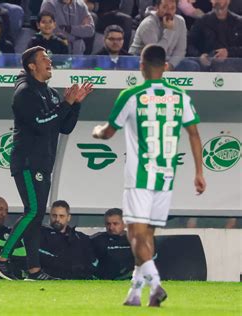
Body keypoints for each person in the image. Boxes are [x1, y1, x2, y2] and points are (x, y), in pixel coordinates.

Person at [92, 44, 206, 307]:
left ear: (141, 67)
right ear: (165, 67)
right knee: (147, 237)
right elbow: (194, 134)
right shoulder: (180, 96)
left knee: (135, 236)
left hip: (140, 177)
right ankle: (134, 293)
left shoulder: (132, 95)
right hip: (166, 178)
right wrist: (199, 172)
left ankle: (156, 285)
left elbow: (109, 132)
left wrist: (97, 131)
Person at [0, 46, 94, 281]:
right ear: (31, 66)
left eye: (49, 58)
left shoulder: (52, 93)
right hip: (27, 162)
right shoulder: (25, 92)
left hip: (43, 163)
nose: (50, 62)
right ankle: (1, 259)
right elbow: (41, 123)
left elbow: (63, 127)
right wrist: (65, 105)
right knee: (33, 211)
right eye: (44, 59)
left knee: (36, 218)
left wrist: (75, 104)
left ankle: (34, 270)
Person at [129, 0, 196, 71]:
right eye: (165, 7)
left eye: (172, 8)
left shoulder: (180, 21)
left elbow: (181, 50)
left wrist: (170, 65)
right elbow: (156, 53)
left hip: (167, 61)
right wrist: (169, 30)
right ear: (157, 7)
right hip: (144, 59)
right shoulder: (148, 24)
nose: (169, 11)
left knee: (192, 65)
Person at [39, 200, 97, 280]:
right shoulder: (41, 235)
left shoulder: (80, 238)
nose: (57, 219)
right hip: (50, 280)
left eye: (61, 216)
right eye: (54, 215)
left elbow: (93, 261)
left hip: (78, 282)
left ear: (68, 217)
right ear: (50, 216)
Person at [187, 0, 242, 72]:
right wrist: (200, 56)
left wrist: (228, 52)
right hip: (209, 67)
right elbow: (190, 44)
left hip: (235, 68)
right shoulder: (202, 21)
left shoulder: (239, 22)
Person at [91, 208, 134, 280]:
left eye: (115, 224)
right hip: (105, 282)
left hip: (129, 280)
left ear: (125, 223)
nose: (111, 227)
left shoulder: (135, 240)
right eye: (108, 224)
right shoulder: (96, 240)